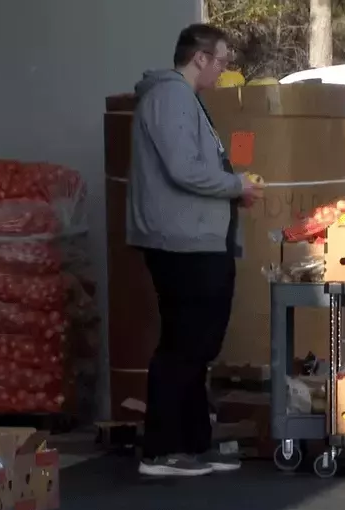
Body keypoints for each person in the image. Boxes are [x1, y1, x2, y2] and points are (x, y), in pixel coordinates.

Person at [127, 23, 264, 477]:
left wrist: (231, 191)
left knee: (198, 344)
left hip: (198, 238)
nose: (225, 71)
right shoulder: (170, 97)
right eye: (222, 61)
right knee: (185, 343)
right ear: (199, 57)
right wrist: (234, 183)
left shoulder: (187, 100)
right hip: (181, 242)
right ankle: (161, 449)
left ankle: (192, 443)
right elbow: (183, 169)